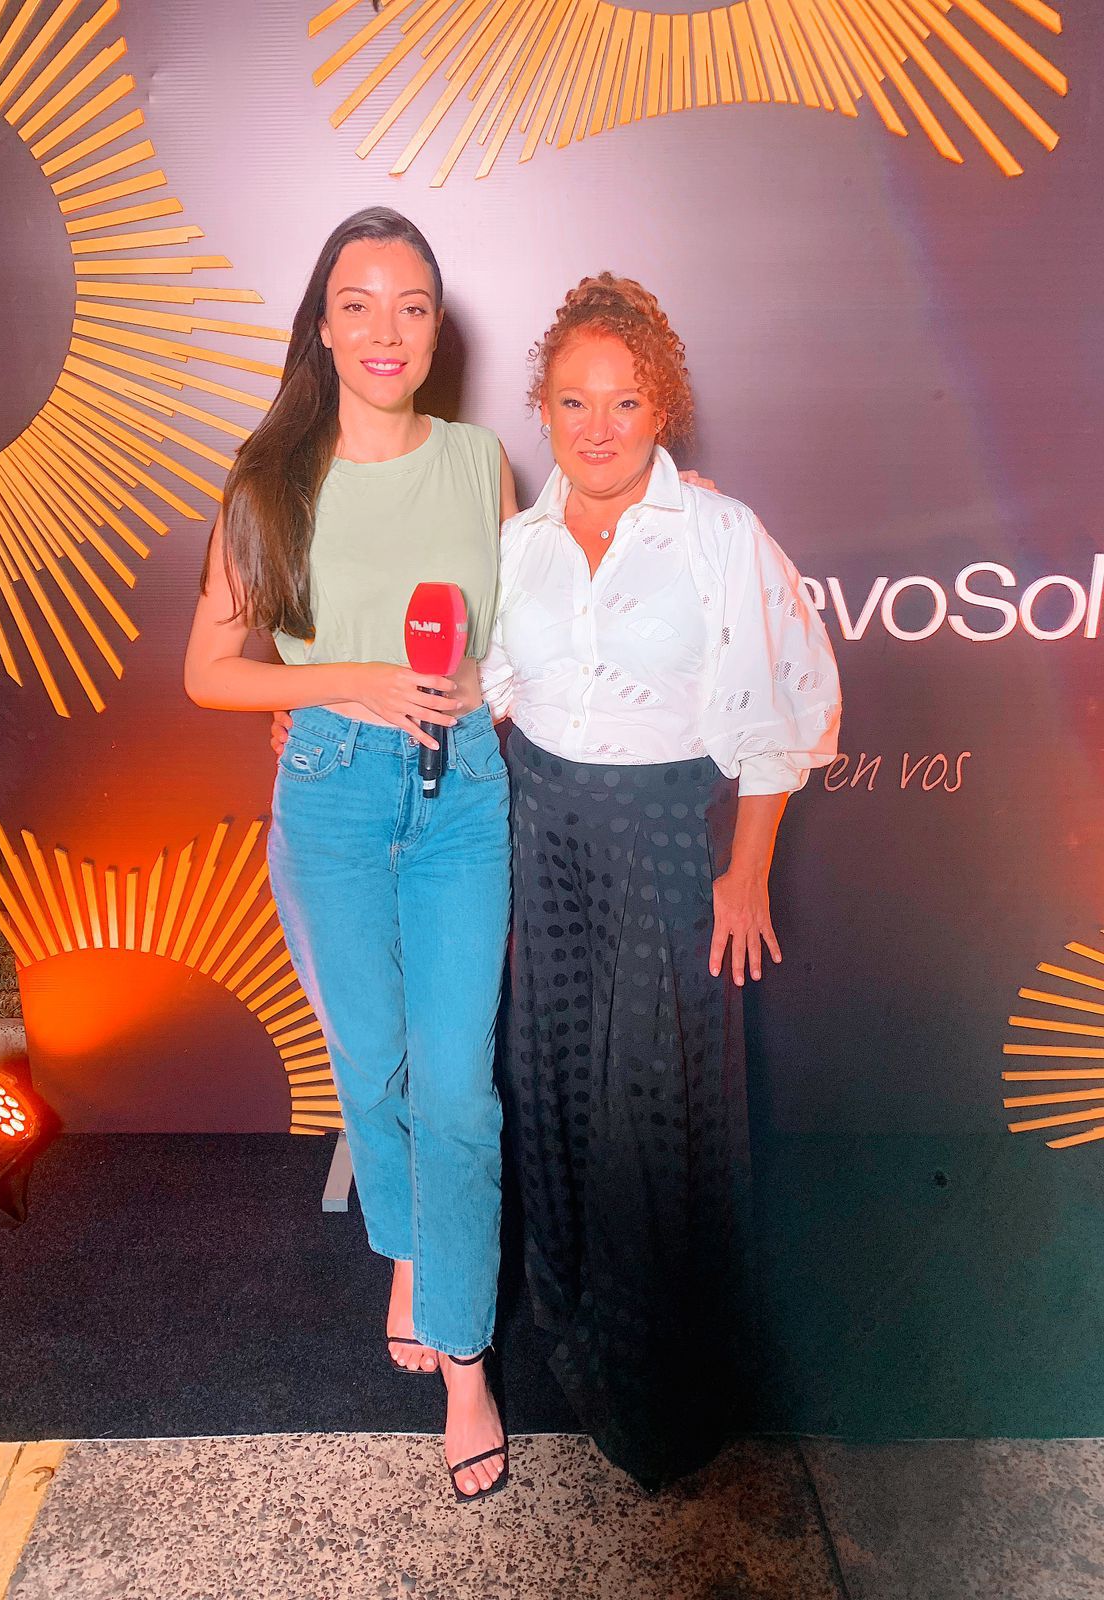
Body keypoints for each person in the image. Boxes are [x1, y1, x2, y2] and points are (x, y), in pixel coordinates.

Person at [478, 274, 841, 1489]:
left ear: (661, 407)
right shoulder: (516, 548)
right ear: (542, 406)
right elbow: (481, 696)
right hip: (544, 836)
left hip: (666, 842)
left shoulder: (720, 536)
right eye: (575, 400)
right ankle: (575, 1317)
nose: (599, 425)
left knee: (653, 1102)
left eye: (625, 400)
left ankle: (664, 1378)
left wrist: (745, 870)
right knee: (554, 1083)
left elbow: (789, 703)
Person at [185, 207, 514, 1503]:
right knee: (371, 1072)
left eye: (412, 305)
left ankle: (468, 1360)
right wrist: (350, 681)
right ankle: (412, 1249)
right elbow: (211, 670)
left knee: (459, 1091)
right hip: (330, 793)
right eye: (360, 303)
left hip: (464, 795)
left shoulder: (481, 461)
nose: (388, 330)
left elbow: (525, 638)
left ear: (437, 328)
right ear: (321, 325)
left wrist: (485, 686)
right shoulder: (270, 478)